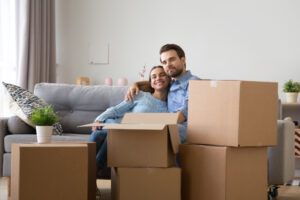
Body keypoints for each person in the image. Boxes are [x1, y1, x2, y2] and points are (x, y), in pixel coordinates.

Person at [89, 65, 171, 178]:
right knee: (98, 135)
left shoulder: (171, 106)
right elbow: (116, 110)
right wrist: (99, 119)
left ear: (169, 78)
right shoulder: (140, 95)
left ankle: (87, 178)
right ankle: (89, 176)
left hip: (135, 138)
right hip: (116, 126)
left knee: (112, 137)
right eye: (154, 76)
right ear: (151, 82)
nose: (158, 78)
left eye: (162, 74)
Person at [126, 43, 200, 143]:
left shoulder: (194, 83)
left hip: (185, 129)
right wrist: (135, 84)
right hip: (169, 127)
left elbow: (182, 116)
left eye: (172, 59)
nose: (168, 64)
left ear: (183, 60)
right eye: (164, 62)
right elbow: (155, 82)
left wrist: (151, 124)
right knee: (108, 134)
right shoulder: (171, 83)